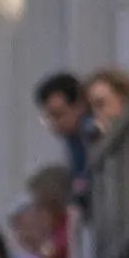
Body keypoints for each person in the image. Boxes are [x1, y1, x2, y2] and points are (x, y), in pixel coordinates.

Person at [34, 73, 92, 201]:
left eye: (58, 115)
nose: (55, 124)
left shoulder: (91, 131)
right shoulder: (72, 140)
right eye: (49, 117)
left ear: (80, 106)